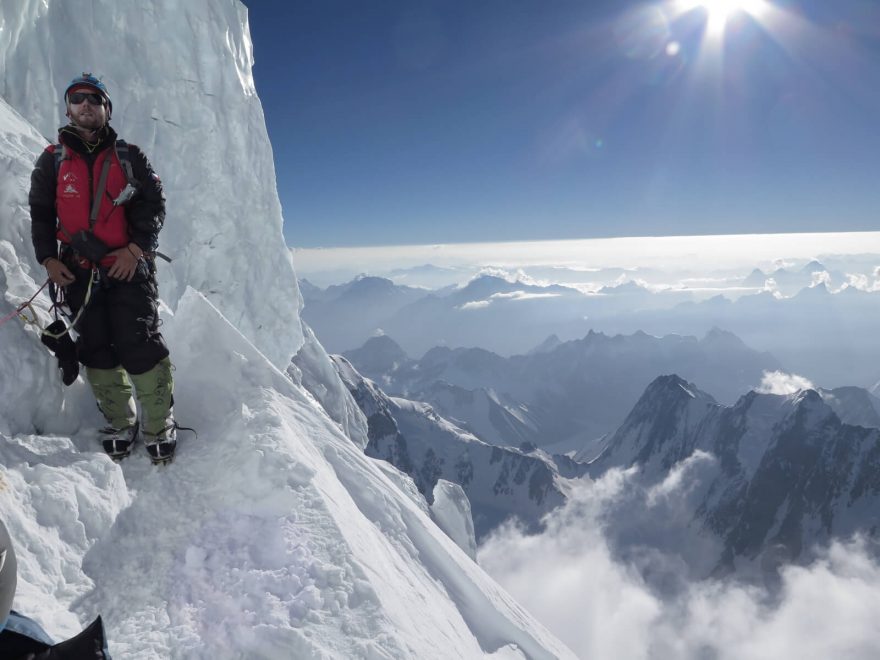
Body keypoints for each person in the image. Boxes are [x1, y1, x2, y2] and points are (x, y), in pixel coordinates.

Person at [29, 73, 177, 465]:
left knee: (138, 342)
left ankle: (159, 424)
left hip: (128, 266)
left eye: (95, 99)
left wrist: (136, 248)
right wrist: (49, 258)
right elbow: (41, 215)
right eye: (78, 98)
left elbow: (153, 205)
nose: (86, 105)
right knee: (96, 348)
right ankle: (120, 422)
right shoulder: (52, 161)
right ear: (68, 108)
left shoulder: (129, 156)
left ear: (107, 109)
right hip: (77, 270)